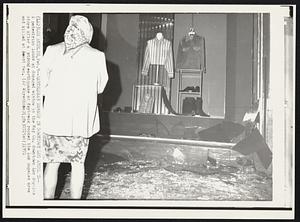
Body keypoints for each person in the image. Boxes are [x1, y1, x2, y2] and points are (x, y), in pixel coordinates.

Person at [41, 15, 109, 199]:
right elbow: (100, 87)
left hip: (56, 118)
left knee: (53, 163)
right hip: (79, 120)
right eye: (70, 28)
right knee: (77, 164)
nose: (70, 31)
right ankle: (73, 207)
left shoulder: (52, 51)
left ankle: (48, 206)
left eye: (73, 28)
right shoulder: (96, 56)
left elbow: (41, 85)